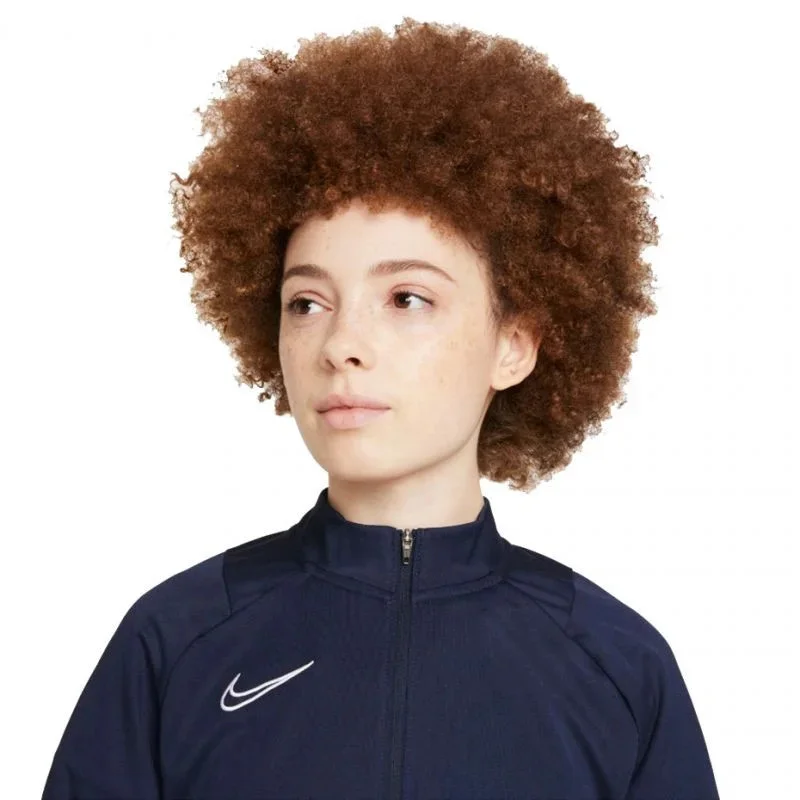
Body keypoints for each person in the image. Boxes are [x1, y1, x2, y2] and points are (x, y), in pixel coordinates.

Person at [42, 17, 719, 799]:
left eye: (406, 298)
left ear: (515, 344)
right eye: (306, 303)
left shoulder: (617, 667)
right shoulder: (177, 641)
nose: (341, 345)